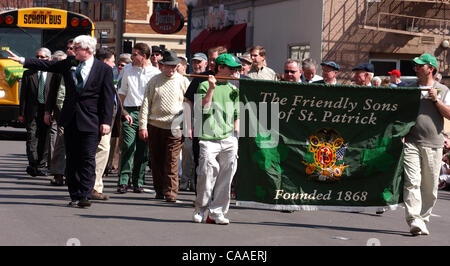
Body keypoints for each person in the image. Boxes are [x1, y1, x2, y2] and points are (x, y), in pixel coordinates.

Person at [8, 35, 115, 208]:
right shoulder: (70, 63)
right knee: (72, 159)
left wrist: (106, 121)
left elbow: (108, 97)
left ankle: (85, 194)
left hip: (91, 120)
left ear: (87, 50)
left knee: (87, 158)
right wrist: (22, 59)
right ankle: (74, 195)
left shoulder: (103, 69)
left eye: (76, 48)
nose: (72, 51)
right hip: (70, 118)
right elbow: (48, 65)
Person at [403, 53, 450, 236]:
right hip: (412, 142)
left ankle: (423, 219)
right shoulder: (409, 88)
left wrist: (435, 100)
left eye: (420, 66)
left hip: (434, 144)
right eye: (415, 66)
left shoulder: (442, 90)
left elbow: (449, 114)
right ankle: (414, 219)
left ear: (430, 68)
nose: (416, 68)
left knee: (430, 187)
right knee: (412, 181)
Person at [192, 53, 241, 225]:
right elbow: (203, 108)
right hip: (208, 138)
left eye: (236, 69)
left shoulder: (234, 90)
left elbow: (236, 114)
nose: (235, 72)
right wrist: (212, 88)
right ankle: (201, 209)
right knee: (206, 175)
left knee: (226, 178)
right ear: (220, 68)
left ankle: (217, 212)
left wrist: (236, 132)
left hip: (228, 139)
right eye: (232, 69)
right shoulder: (205, 85)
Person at [138, 50, 190, 202]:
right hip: (155, 125)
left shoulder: (183, 81)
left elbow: (188, 104)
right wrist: (143, 126)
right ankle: (159, 189)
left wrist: (187, 126)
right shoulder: (154, 81)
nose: (172, 69)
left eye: (174, 66)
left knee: (172, 160)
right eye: (169, 66)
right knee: (157, 159)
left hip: (175, 126)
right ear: (162, 66)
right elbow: (146, 104)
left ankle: (171, 192)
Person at [117, 43, 160, 194]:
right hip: (129, 111)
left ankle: (138, 181)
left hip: (147, 113)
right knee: (128, 146)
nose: (132, 57)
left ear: (144, 56)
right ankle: (123, 181)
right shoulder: (127, 70)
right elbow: (122, 92)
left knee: (143, 150)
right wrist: (122, 112)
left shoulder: (155, 73)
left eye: (135, 54)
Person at [92, 48, 124, 200]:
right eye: (112, 61)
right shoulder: (100, 74)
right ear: (105, 62)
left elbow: (114, 96)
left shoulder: (108, 74)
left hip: (108, 121)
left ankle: (94, 185)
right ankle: (94, 187)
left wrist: (124, 113)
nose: (114, 65)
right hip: (100, 122)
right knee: (100, 151)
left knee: (102, 152)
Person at [19, 47, 53, 177]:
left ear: (49, 59)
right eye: (37, 57)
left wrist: (52, 111)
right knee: (31, 136)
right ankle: (32, 163)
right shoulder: (28, 73)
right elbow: (23, 95)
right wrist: (21, 113)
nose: (39, 59)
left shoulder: (53, 74)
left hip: (47, 112)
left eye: (42, 57)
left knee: (44, 138)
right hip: (31, 111)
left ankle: (40, 164)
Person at [45, 41, 73, 186]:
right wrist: (48, 111)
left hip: (79, 114)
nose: (69, 51)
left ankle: (71, 174)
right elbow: (53, 93)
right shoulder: (61, 69)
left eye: (72, 48)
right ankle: (58, 174)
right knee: (60, 144)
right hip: (62, 113)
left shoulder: (87, 67)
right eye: (68, 48)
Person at [179, 52, 208, 192]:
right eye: (194, 62)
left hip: (206, 123)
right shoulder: (192, 79)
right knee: (188, 150)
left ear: (206, 64)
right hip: (190, 119)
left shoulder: (206, 78)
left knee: (198, 155)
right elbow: (187, 102)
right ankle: (185, 180)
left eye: (199, 62)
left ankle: (195, 184)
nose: (196, 65)